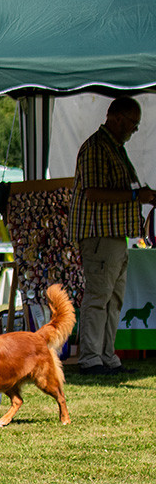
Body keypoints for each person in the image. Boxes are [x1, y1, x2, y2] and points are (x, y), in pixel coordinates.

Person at [70, 97, 154, 375]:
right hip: (100, 236)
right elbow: (94, 192)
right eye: (133, 123)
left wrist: (144, 196)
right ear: (116, 118)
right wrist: (135, 196)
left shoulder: (114, 148)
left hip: (115, 236)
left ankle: (106, 356)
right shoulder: (96, 147)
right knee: (98, 297)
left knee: (113, 299)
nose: (134, 130)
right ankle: (90, 358)